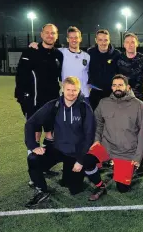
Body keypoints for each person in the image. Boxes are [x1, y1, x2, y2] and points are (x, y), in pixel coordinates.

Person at [24, 76, 95, 208]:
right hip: (57, 148)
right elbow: (30, 123)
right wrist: (33, 146)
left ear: (79, 90)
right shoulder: (53, 105)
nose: (71, 93)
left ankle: (80, 171)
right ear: (63, 89)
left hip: (75, 153)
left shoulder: (85, 108)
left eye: (74, 90)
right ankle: (41, 190)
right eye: (68, 89)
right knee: (33, 159)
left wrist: (80, 160)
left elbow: (89, 137)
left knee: (74, 189)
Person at [82, 74, 143, 200]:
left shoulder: (139, 105)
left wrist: (138, 157)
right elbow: (98, 123)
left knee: (122, 189)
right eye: (114, 85)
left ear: (127, 87)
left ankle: (121, 167)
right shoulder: (104, 102)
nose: (117, 88)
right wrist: (96, 141)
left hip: (126, 152)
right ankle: (100, 185)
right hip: (106, 147)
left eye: (120, 85)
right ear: (111, 87)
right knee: (87, 161)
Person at [15, 23, 64, 186]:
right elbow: (20, 76)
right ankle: (33, 173)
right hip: (34, 103)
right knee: (34, 136)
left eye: (53, 33)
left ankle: (44, 166)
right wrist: (23, 98)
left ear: (57, 36)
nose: (50, 36)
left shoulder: (58, 54)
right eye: (47, 33)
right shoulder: (30, 52)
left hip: (52, 102)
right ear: (41, 34)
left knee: (50, 136)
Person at [29, 26, 91, 101]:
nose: (74, 40)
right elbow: (46, 48)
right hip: (66, 95)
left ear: (80, 39)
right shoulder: (60, 52)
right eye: (71, 38)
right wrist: (36, 44)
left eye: (76, 37)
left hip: (83, 95)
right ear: (67, 39)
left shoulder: (87, 56)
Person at [87, 29, 121, 110]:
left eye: (106, 40)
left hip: (111, 93)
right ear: (96, 40)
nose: (103, 42)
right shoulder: (90, 53)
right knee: (95, 119)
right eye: (100, 40)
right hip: (95, 92)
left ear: (109, 40)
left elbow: (120, 73)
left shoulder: (116, 54)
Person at [117, 33, 143, 101]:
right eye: (127, 42)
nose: (130, 45)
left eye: (132, 42)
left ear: (137, 44)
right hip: (121, 97)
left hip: (138, 98)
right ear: (124, 44)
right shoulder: (118, 59)